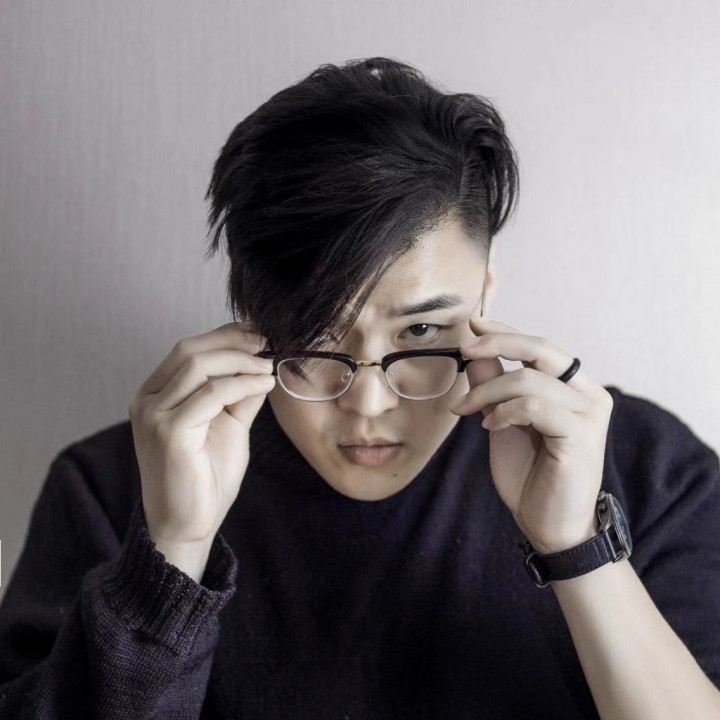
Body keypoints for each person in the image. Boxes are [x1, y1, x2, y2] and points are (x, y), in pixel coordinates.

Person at [0, 56, 719, 720]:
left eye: (420, 333)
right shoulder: (110, 489)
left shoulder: (644, 466)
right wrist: (172, 555)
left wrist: (578, 549)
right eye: (317, 336)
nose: (368, 404)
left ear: (485, 290)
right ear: (250, 313)